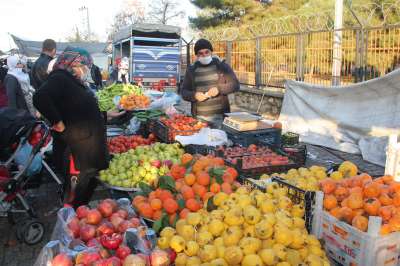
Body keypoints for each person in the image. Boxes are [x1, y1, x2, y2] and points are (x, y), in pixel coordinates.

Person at [33, 47, 109, 208]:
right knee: (75, 193)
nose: (86, 70)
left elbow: (76, 106)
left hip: (86, 146)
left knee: (85, 189)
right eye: (85, 66)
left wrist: (105, 113)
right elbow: (40, 97)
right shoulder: (60, 78)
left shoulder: (71, 80)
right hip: (76, 149)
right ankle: (69, 222)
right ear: (74, 64)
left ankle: (77, 216)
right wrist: (57, 122)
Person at [180, 39, 240, 128]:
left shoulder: (222, 66)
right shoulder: (191, 70)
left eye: (206, 52)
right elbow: (184, 92)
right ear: (196, 55)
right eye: (200, 53)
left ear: (211, 52)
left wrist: (219, 89)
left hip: (219, 117)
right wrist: (194, 95)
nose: (204, 55)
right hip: (199, 118)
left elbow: (235, 85)